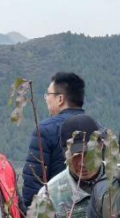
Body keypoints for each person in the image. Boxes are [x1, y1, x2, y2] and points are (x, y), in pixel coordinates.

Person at [21, 72, 87, 210]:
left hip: (56, 215)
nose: (46, 99)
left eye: (48, 95)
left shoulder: (46, 130)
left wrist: (30, 217)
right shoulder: (100, 130)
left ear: (60, 99)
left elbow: (33, 181)